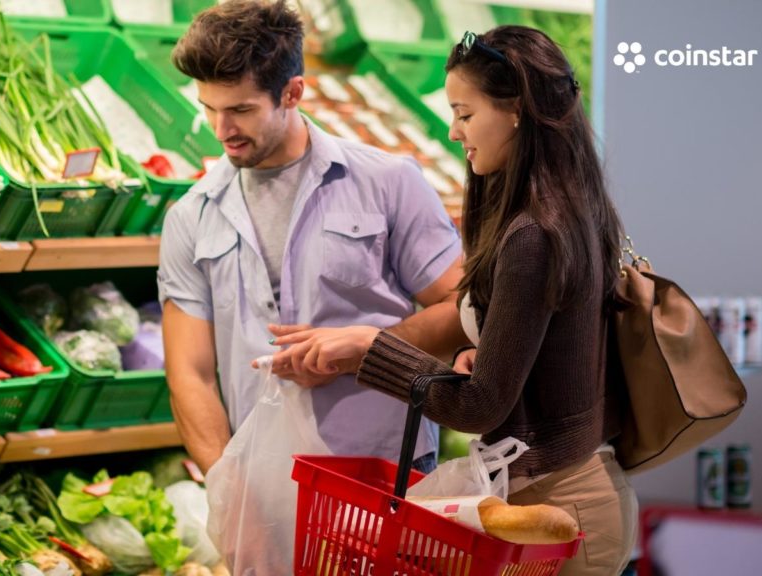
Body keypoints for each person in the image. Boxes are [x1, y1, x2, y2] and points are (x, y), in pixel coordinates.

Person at [271, 26, 638, 575]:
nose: (451, 131)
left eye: (465, 114)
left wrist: (372, 347)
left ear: (516, 110)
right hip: (551, 496)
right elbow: (553, 351)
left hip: (563, 512)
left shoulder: (533, 233)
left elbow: (480, 408)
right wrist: (485, 355)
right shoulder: (565, 204)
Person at [157, 0, 467, 476]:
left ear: (293, 93)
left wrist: (365, 351)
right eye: (210, 109)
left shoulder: (388, 182)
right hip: (260, 475)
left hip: (381, 467)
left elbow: (461, 307)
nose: (222, 131)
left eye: (240, 110)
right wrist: (226, 483)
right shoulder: (192, 216)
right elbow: (190, 374)